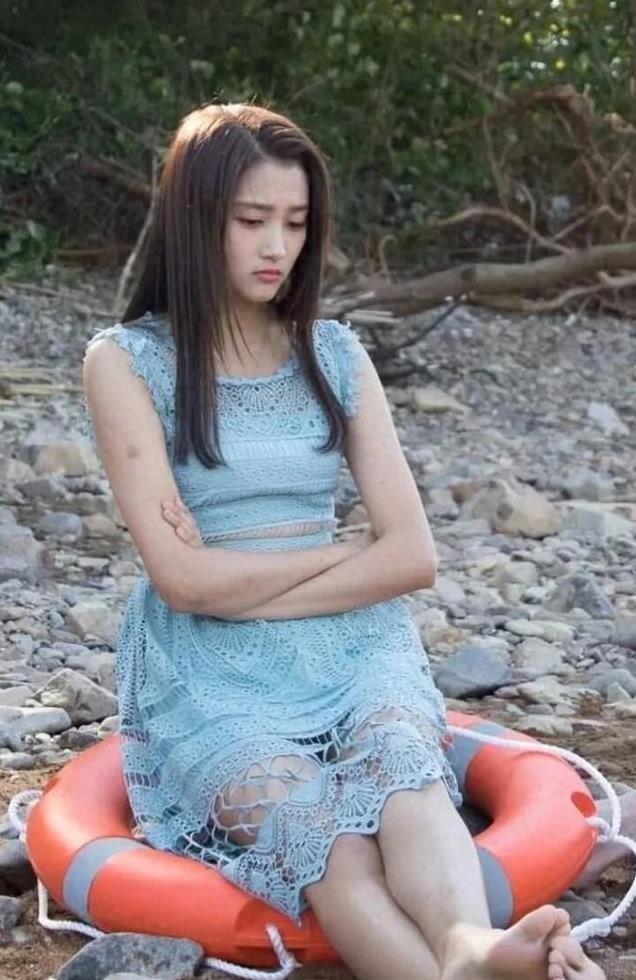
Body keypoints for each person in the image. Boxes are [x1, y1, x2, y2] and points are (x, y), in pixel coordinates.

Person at [83, 102, 605, 980]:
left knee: (405, 779)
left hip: (354, 646)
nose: (276, 247)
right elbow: (183, 585)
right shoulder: (127, 362)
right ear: (194, 218)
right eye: (251, 220)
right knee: (325, 839)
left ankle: (467, 948)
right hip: (208, 667)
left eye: (295, 223)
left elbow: (412, 557)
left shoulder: (333, 353)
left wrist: (242, 574)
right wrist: (339, 551)